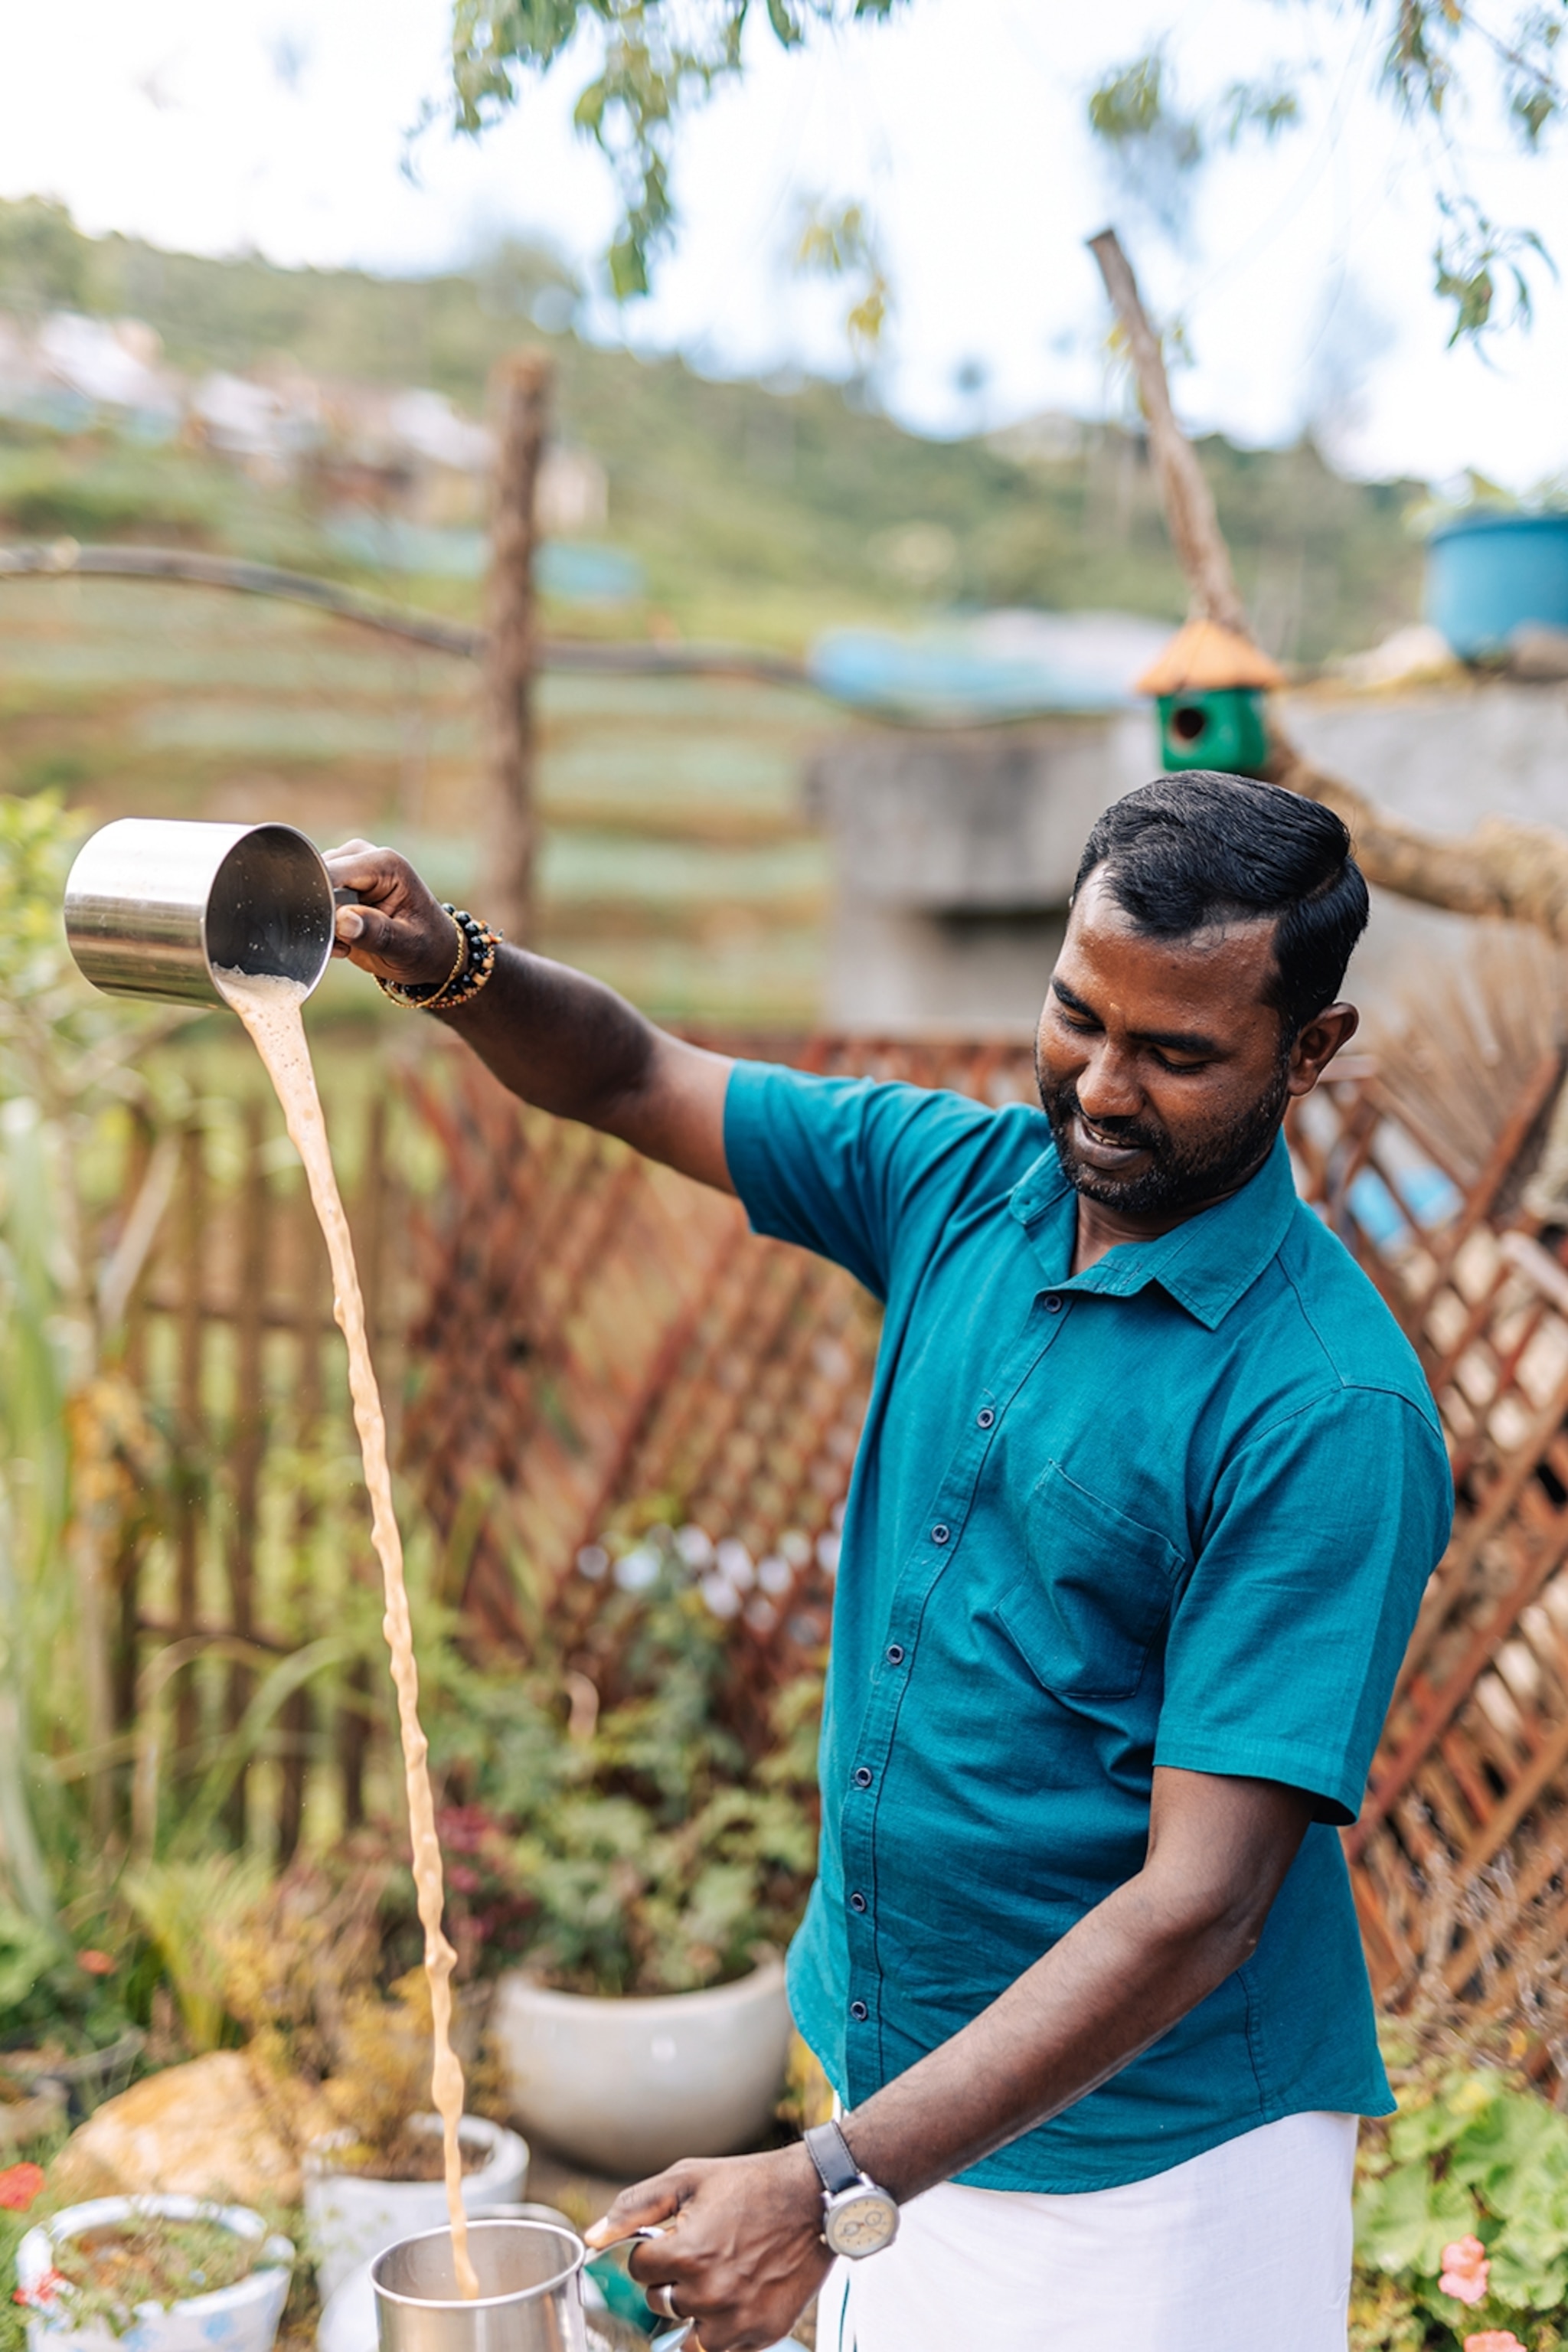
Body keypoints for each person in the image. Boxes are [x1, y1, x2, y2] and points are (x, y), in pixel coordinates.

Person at [326, 770, 1452, 2352]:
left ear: (1309, 1051)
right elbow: (638, 1072)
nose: (1103, 1090)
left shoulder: (1322, 1408)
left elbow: (1200, 1906)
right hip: (898, 2096)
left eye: (1176, 1053)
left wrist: (826, 2182)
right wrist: (459, 966)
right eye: (1078, 1017)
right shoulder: (963, 1187)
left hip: (1153, 2182)